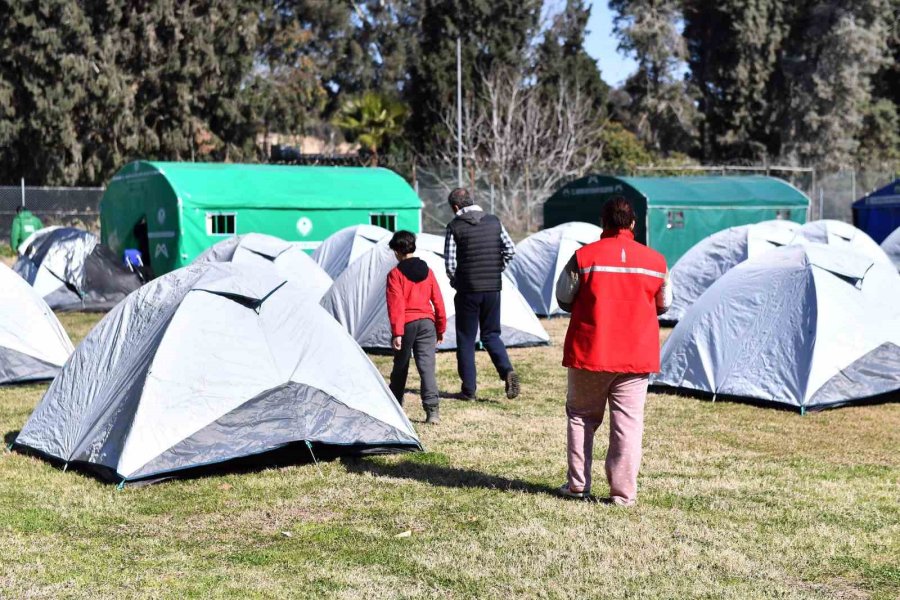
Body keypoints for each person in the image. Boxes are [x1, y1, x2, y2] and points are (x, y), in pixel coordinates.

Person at [554, 197, 672, 506]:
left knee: (580, 416)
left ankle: (578, 485)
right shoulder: (656, 261)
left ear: (603, 222)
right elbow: (665, 304)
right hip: (636, 356)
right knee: (628, 424)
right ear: (633, 223)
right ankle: (623, 493)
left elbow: (564, 297)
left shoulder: (583, 256)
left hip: (590, 352)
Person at [443, 188, 519, 400]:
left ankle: (469, 391)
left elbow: (450, 264)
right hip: (493, 287)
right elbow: (510, 249)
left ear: (456, 207)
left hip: (468, 289)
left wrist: (457, 281)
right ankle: (506, 371)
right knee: (491, 335)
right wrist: (496, 269)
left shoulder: (454, 226)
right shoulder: (494, 221)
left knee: (466, 339)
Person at [386, 230, 447, 424]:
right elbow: (438, 301)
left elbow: (396, 305)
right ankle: (432, 412)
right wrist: (440, 327)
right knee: (427, 368)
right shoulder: (428, 272)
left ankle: (395, 406)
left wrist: (397, 333)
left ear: (397, 250)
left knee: (401, 367)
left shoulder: (395, 274)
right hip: (427, 324)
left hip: (406, 324)